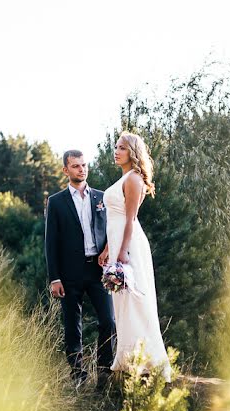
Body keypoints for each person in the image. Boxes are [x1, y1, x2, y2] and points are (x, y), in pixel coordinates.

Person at [101, 132, 172, 381]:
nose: (116, 151)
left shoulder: (133, 179)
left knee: (135, 302)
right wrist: (108, 249)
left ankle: (146, 360)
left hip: (130, 245)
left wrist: (121, 253)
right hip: (117, 243)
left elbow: (130, 219)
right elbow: (115, 220)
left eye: (121, 148)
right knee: (121, 304)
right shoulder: (123, 178)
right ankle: (128, 359)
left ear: (132, 152)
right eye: (116, 147)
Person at [45, 150, 115, 387]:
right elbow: (50, 242)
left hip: (97, 271)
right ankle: (78, 376)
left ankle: (104, 371)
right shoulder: (56, 202)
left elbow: (111, 230)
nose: (81, 169)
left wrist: (107, 250)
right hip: (69, 274)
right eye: (75, 166)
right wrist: (55, 278)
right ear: (66, 170)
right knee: (73, 328)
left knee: (108, 320)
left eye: (84, 165)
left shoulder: (101, 197)